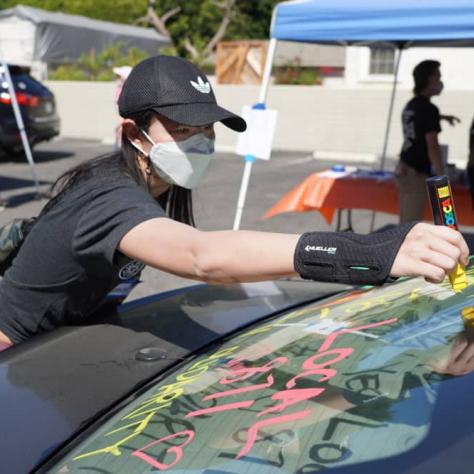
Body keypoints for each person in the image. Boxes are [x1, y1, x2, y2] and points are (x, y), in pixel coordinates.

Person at [0, 55, 469, 350]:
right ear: (131, 133)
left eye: (206, 129)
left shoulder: (158, 184)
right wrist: (372, 252)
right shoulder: (109, 194)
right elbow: (202, 257)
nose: (200, 142)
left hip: (57, 345)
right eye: (181, 130)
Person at [396, 60, 460, 224]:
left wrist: (443, 117)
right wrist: (442, 176)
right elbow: (433, 146)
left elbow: (421, 121)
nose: (440, 81)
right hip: (416, 173)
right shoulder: (429, 110)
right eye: (438, 76)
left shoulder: (412, 105)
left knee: (406, 218)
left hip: (405, 168)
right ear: (430, 79)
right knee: (410, 225)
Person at [113, 65, 132, 148]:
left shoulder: (125, 91)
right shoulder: (119, 88)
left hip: (124, 123)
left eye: (119, 76)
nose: (117, 78)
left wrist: (120, 123)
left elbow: (124, 110)